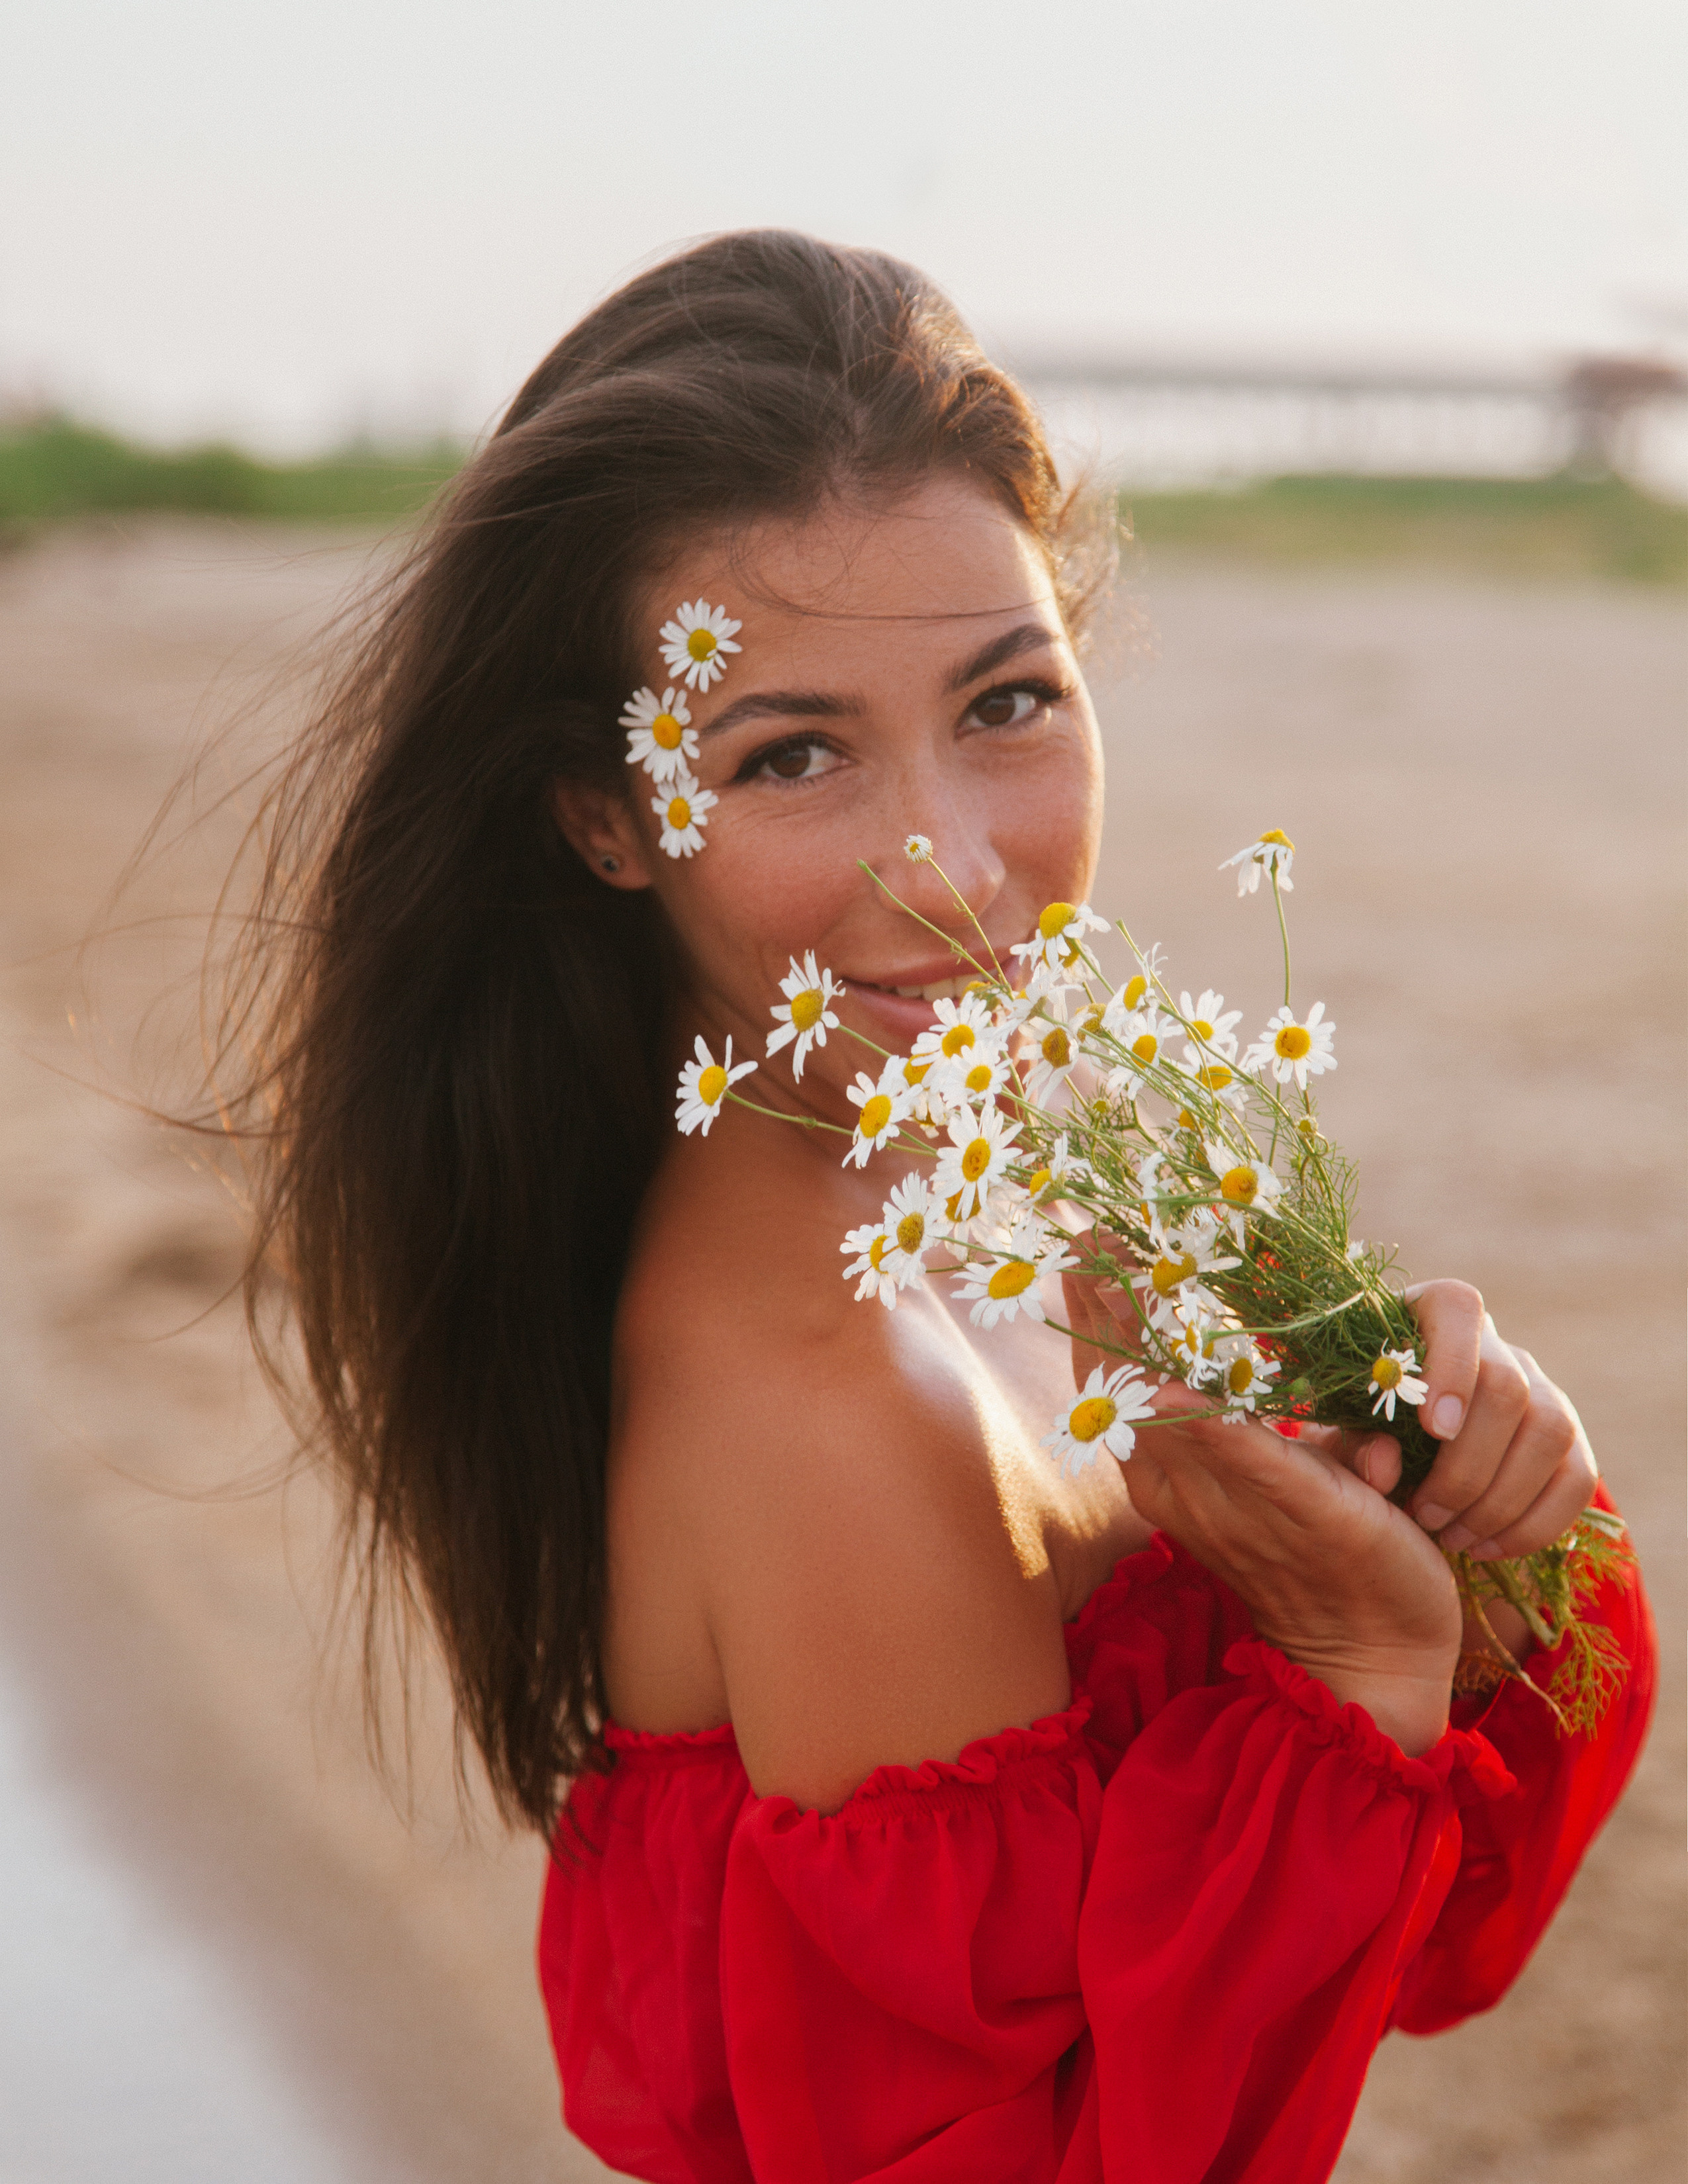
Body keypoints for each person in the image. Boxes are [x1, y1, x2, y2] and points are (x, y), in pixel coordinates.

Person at [226, 232, 1654, 2181]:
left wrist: (1468, 1531)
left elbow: (1412, 1948)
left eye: (1005, 704)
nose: (958, 872)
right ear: (606, 814)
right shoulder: (835, 1409)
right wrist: (1356, 1684)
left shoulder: (976, 1198)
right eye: (792, 751)